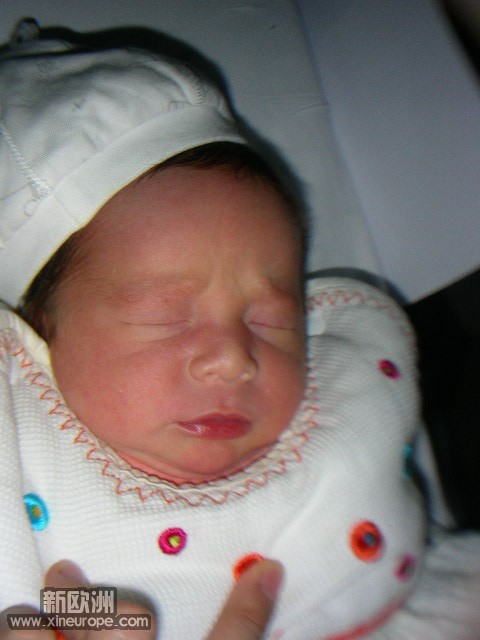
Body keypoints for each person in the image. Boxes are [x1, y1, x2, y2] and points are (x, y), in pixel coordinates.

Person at [1, 23, 479, 640]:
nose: (234, 358)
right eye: (164, 314)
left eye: (271, 319)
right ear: (37, 337)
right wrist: (75, 618)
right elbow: (26, 612)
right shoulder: (33, 467)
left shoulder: (341, 402)